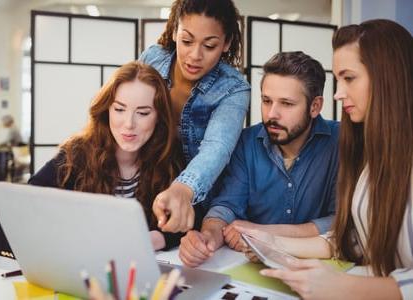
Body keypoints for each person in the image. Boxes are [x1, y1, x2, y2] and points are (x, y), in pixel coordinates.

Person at [239, 19, 413, 299]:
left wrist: (343, 288)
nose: (338, 93)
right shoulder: (375, 155)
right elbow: (356, 240)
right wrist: (273, 243)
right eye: (338, 79)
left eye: (349, 78)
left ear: (387, 77)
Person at [0, 61, 185, 258]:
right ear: (106, 110)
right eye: (119, 109)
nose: (129, 123)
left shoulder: (168, 158)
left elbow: (191, 221)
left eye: (142, 113)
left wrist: (155, 238)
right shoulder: (74, 156)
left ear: (159, 116)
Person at [179, 51, 339, 267]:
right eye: (266, 101)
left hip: (321, 272)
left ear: (315, 106)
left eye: (287, 104)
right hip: (253, 268)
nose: (272, 114)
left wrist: (262, 234)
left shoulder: (341, 142)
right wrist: (207, 238)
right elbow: (227, 207)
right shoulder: (246, 142)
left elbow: (341, 221)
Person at [140, 0, 250, 233]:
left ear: (227, 43)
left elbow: (217, 147)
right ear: (173, 32)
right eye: (187, 41)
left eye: (209, 46)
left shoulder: (234, 88)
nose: (195, 55)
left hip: (197, 201)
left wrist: (183, 188)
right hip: (146, 183)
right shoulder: (152, 59)